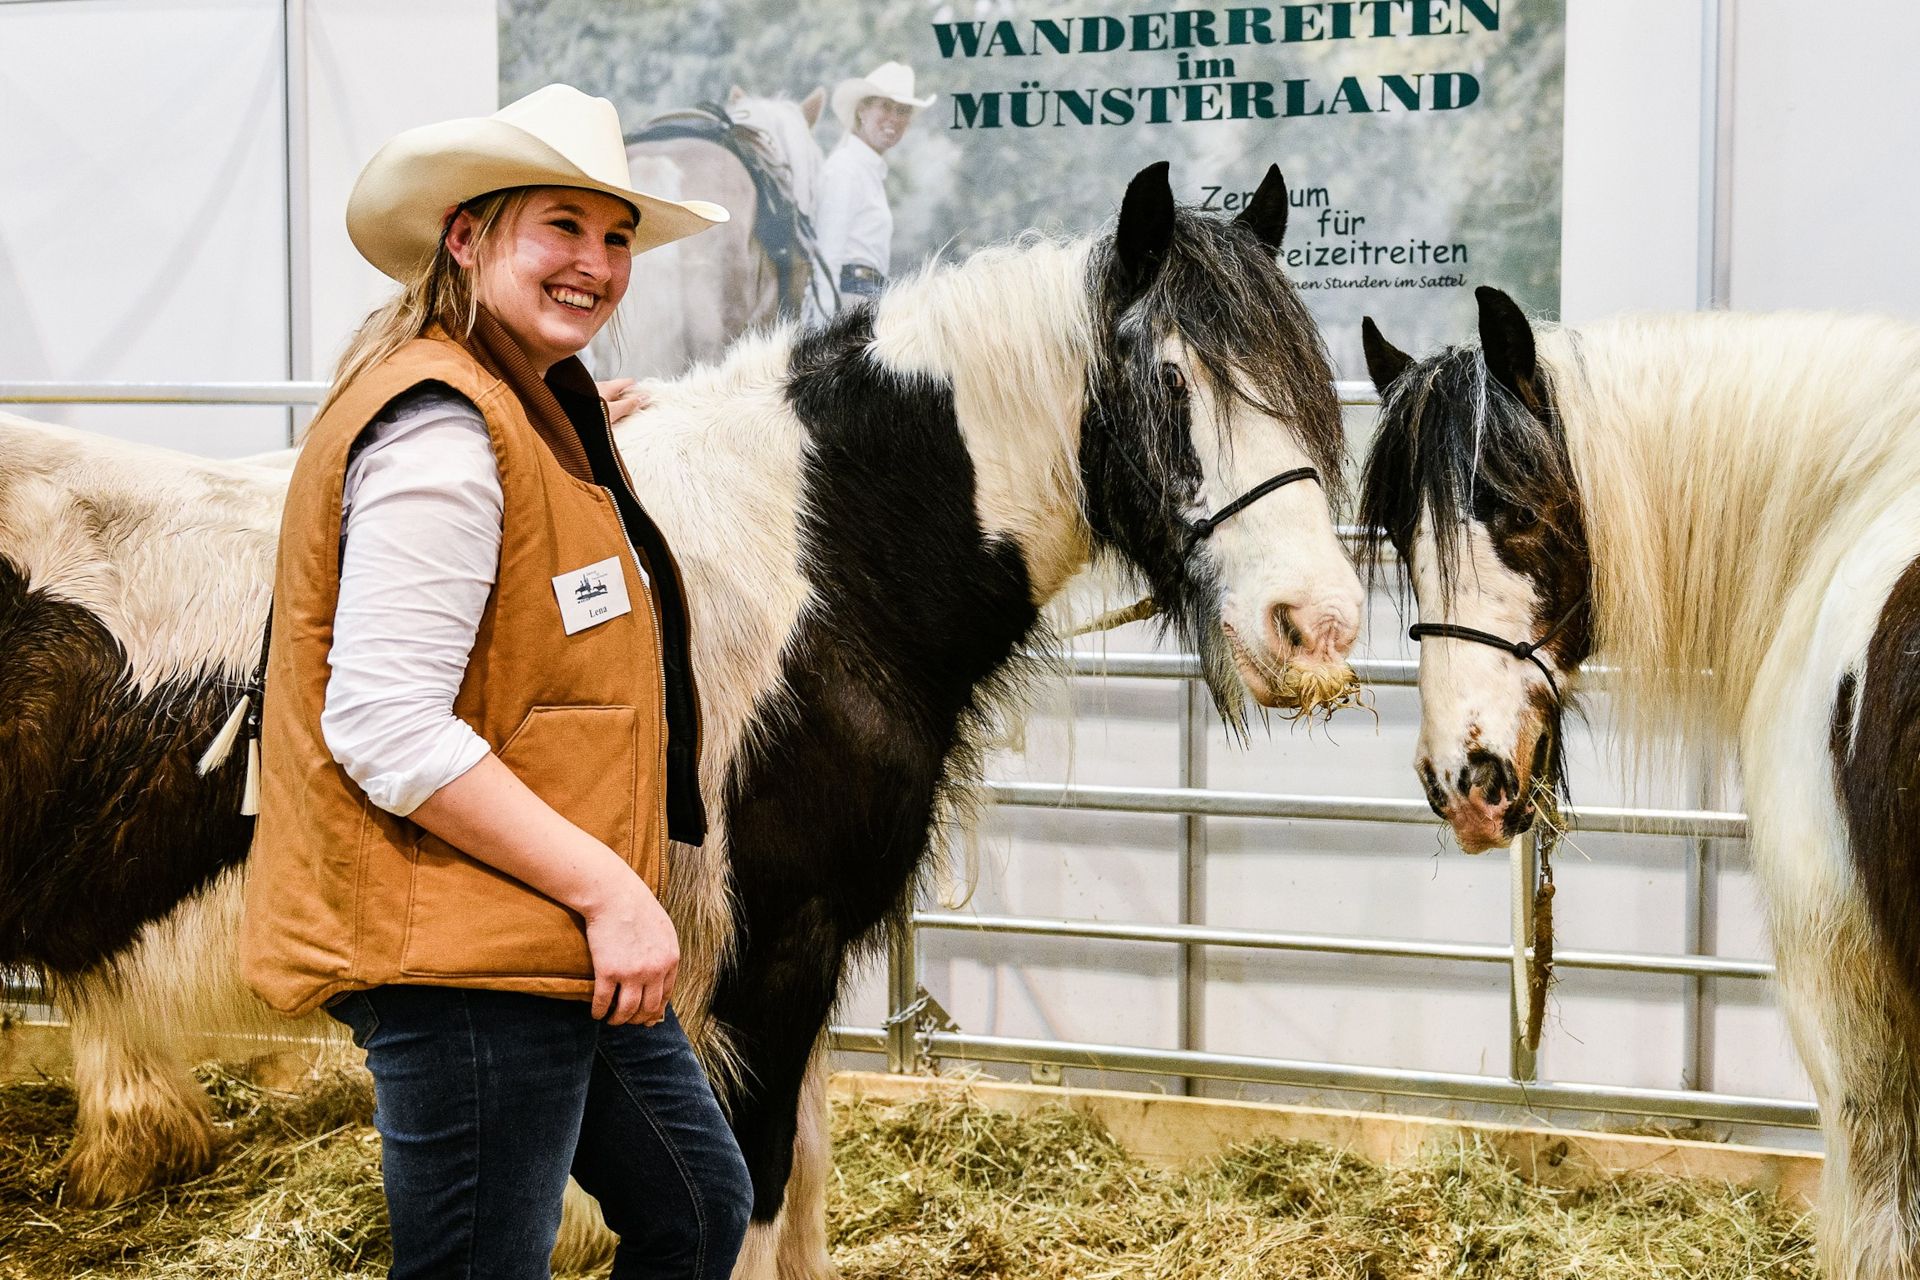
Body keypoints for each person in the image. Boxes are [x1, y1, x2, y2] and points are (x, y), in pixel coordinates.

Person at [238, 84, 752, 1280]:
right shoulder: (443, 434)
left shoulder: (518, 406)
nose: (597, 262)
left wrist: (573, 429)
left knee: (697, 1203)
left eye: (616, 235)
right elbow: (385, 722)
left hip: (540, 931)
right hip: (468, 951)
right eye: (561, 227)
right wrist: (615, 892)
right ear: (467, 237)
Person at [809, 60, 935, 316]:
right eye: (885, 107)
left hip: (870, 297)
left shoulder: (869, 172)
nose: (893, 118)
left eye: (902, 111)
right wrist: (821, 338)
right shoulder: (845, 169)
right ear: (862, 112)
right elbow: (826, 257)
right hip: (847, 298)